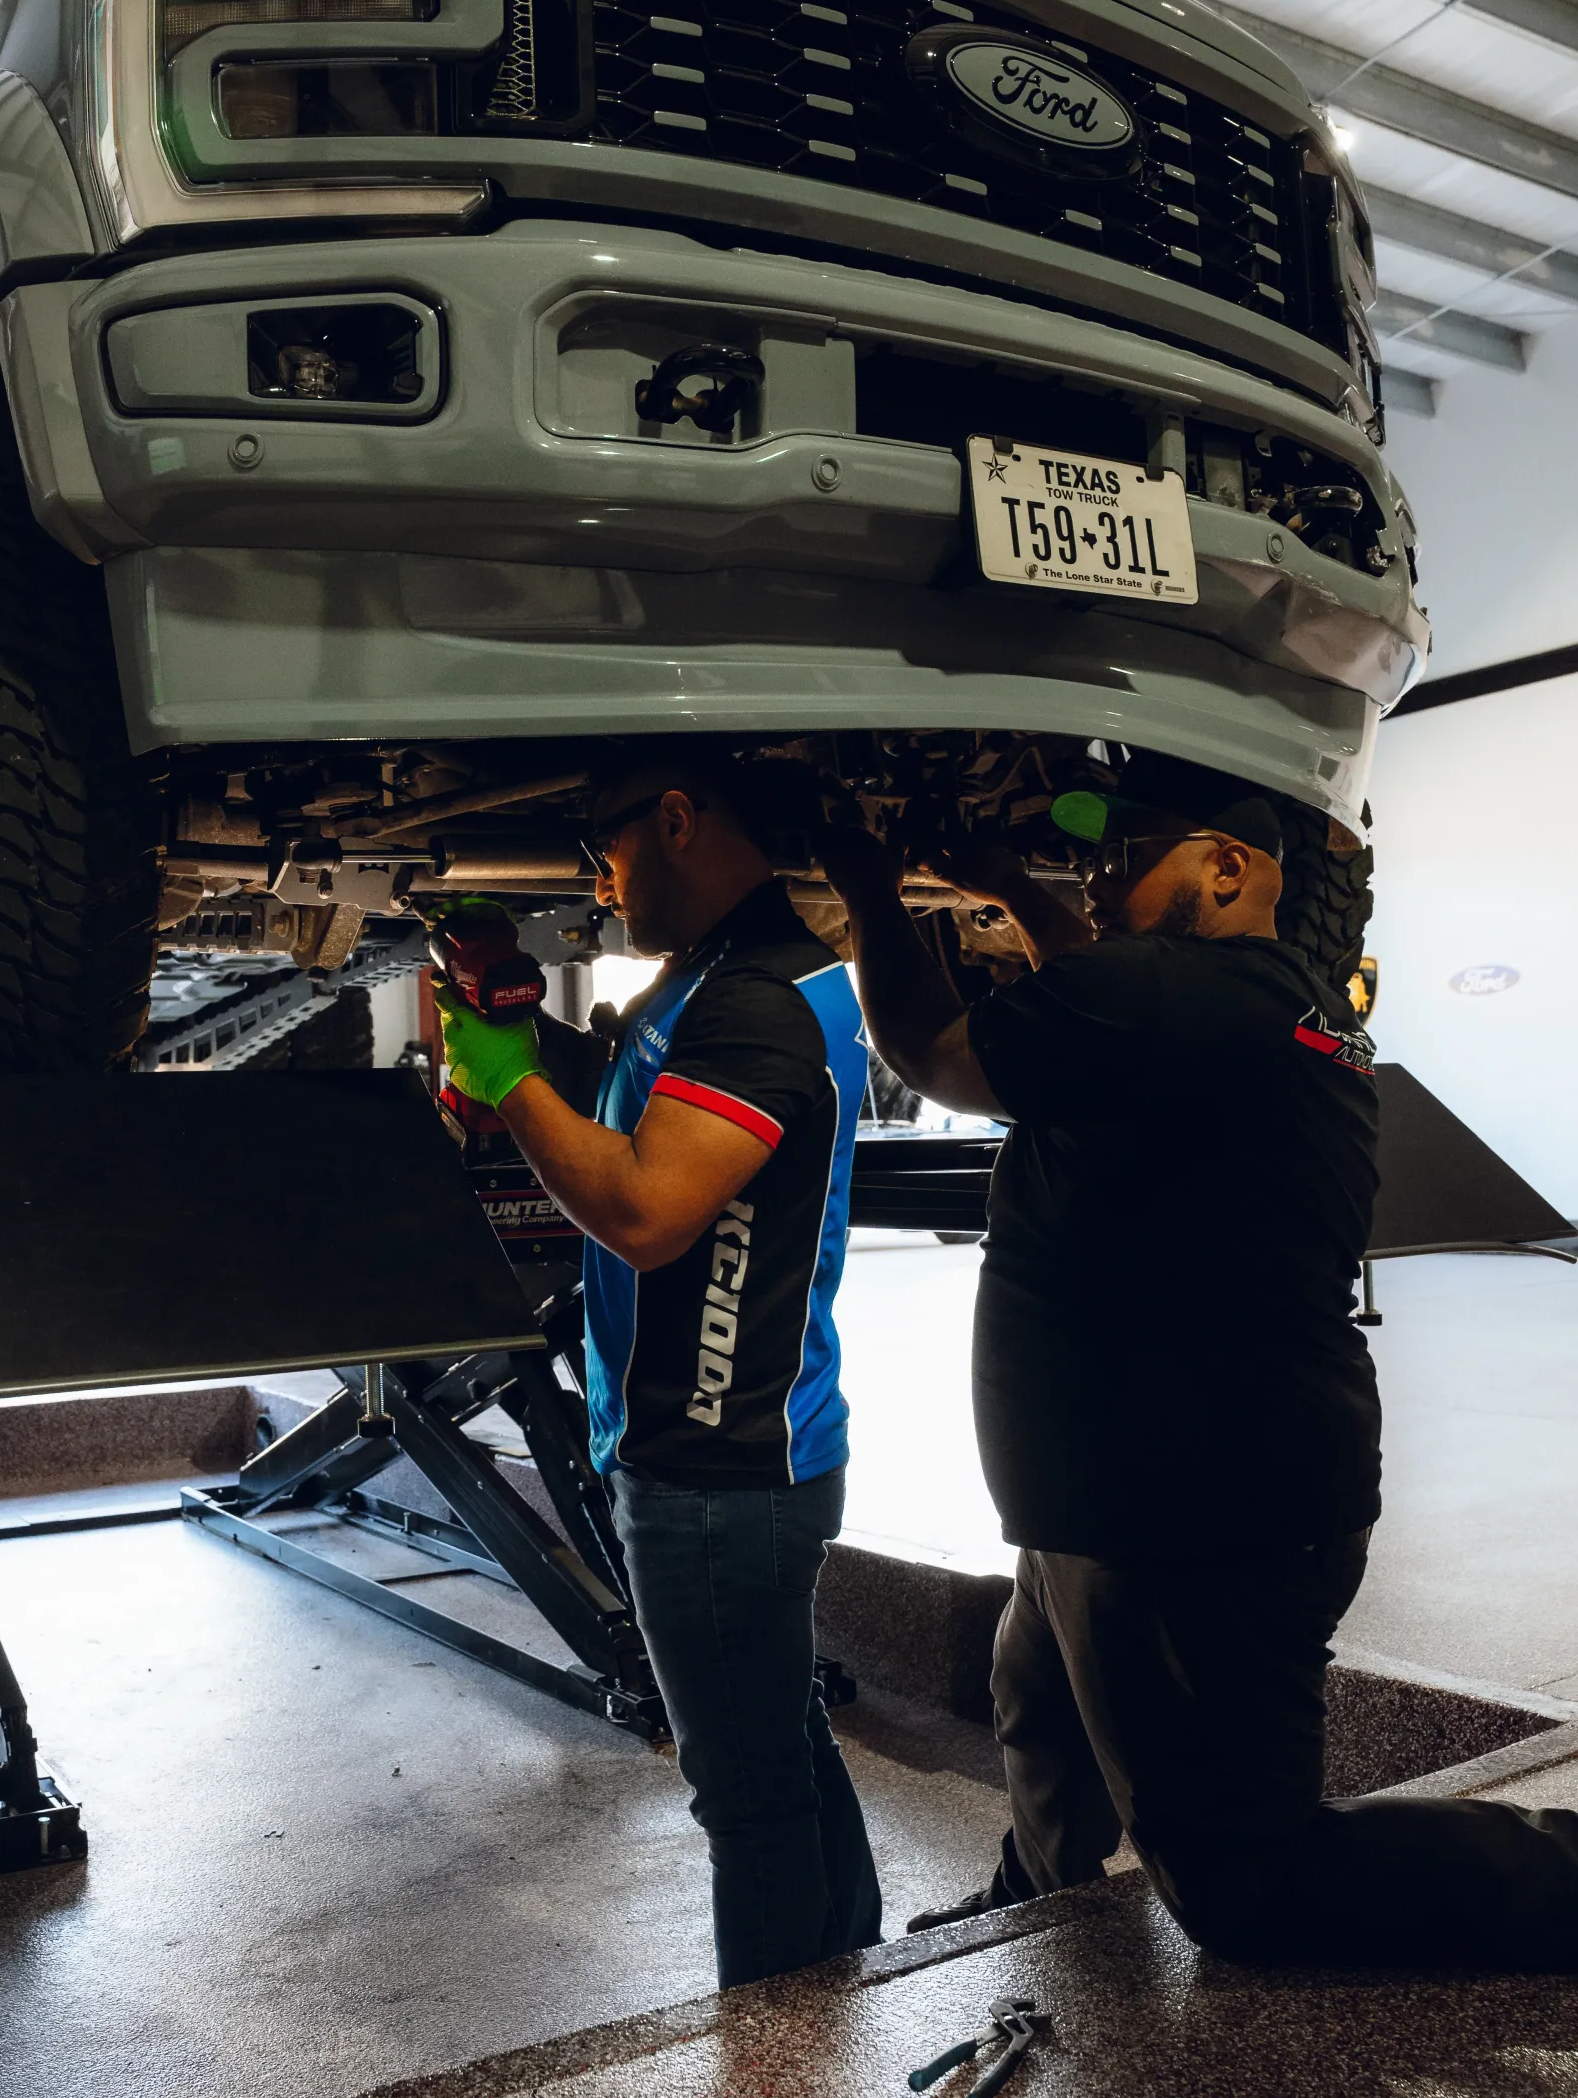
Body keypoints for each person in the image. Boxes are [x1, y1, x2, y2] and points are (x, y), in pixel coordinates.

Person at [824, 749, 1578, 1969]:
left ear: (1230, 869)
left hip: (1191, 1518)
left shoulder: (1177, 997)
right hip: (1127, 1489)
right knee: (1042, 1699)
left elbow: (934, 1055)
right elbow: (1102, 992)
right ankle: (1041, 1893)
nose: (1104, 875)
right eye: (1096, 857)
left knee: (1252, 1886)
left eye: (1133, 855)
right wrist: (1012, 884)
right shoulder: (1258, 1000)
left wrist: (863, 884)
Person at [434, 743, 881, 1989]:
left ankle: (777, 2074)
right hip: (730, 1450)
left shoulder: (758, 1003)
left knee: (746, 1800)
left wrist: (511, 1086)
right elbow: (648, 1114)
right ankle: (851, 1975)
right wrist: (526, 1030)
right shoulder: (722, 980)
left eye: (606, 845)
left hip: (719, 1466)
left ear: (676, 819)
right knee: (779, 1742)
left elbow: (643, 1208)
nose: (601, 876)